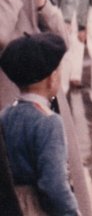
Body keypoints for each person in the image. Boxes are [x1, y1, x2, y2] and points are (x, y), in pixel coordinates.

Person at [0, 33, 80, 215]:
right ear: (52, 79)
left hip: (10, 203)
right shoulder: (49, 122)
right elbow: (54, 184)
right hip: (37, 206)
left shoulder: (4, 116)